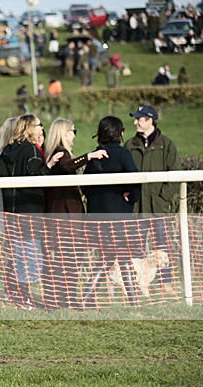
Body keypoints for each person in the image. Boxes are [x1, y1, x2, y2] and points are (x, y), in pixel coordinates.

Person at [0, 114, 64, 309]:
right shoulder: (31, 150)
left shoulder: (8, 150)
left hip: (12, 213)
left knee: (19, 255)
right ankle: (22, 298)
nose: (42, 128)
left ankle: (15, 295)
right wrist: (49, 165)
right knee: (29, 259)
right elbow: (35, 176)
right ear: (30, 128)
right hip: (30, 212)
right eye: (39, 125)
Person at [42, 118, 108, 308]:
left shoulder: (59, 152)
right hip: (65, 215)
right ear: (64, 132)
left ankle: (65, 297)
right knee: (69, 259)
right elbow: (67, 166)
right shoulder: (60, 153)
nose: (75, 135)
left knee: (68, 259)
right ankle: (65, 298)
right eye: (73, 131)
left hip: (65, 213)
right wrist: (90, 156)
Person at [82, 115, 141, 306]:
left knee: (109, 256)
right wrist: (131, 197)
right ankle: (132, 301)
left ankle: (88, 298)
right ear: (120, 133)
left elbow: (84, 187)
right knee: (119, 256)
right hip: (119, 216)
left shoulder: (94, 155)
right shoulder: (123, 154)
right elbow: (136, 181)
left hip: (97, 217)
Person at [124, 104, 181, 295]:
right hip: (137, 208)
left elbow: (175, 175)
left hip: (158, 208)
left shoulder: (168, 145)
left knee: (162, 247)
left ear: (150, 121)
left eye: (139, 119)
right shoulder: (129, 145)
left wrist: (162, 198)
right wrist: (128, 195)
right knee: (136, 248)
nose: (135, 122)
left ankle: (166, 283)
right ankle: (138, 284)